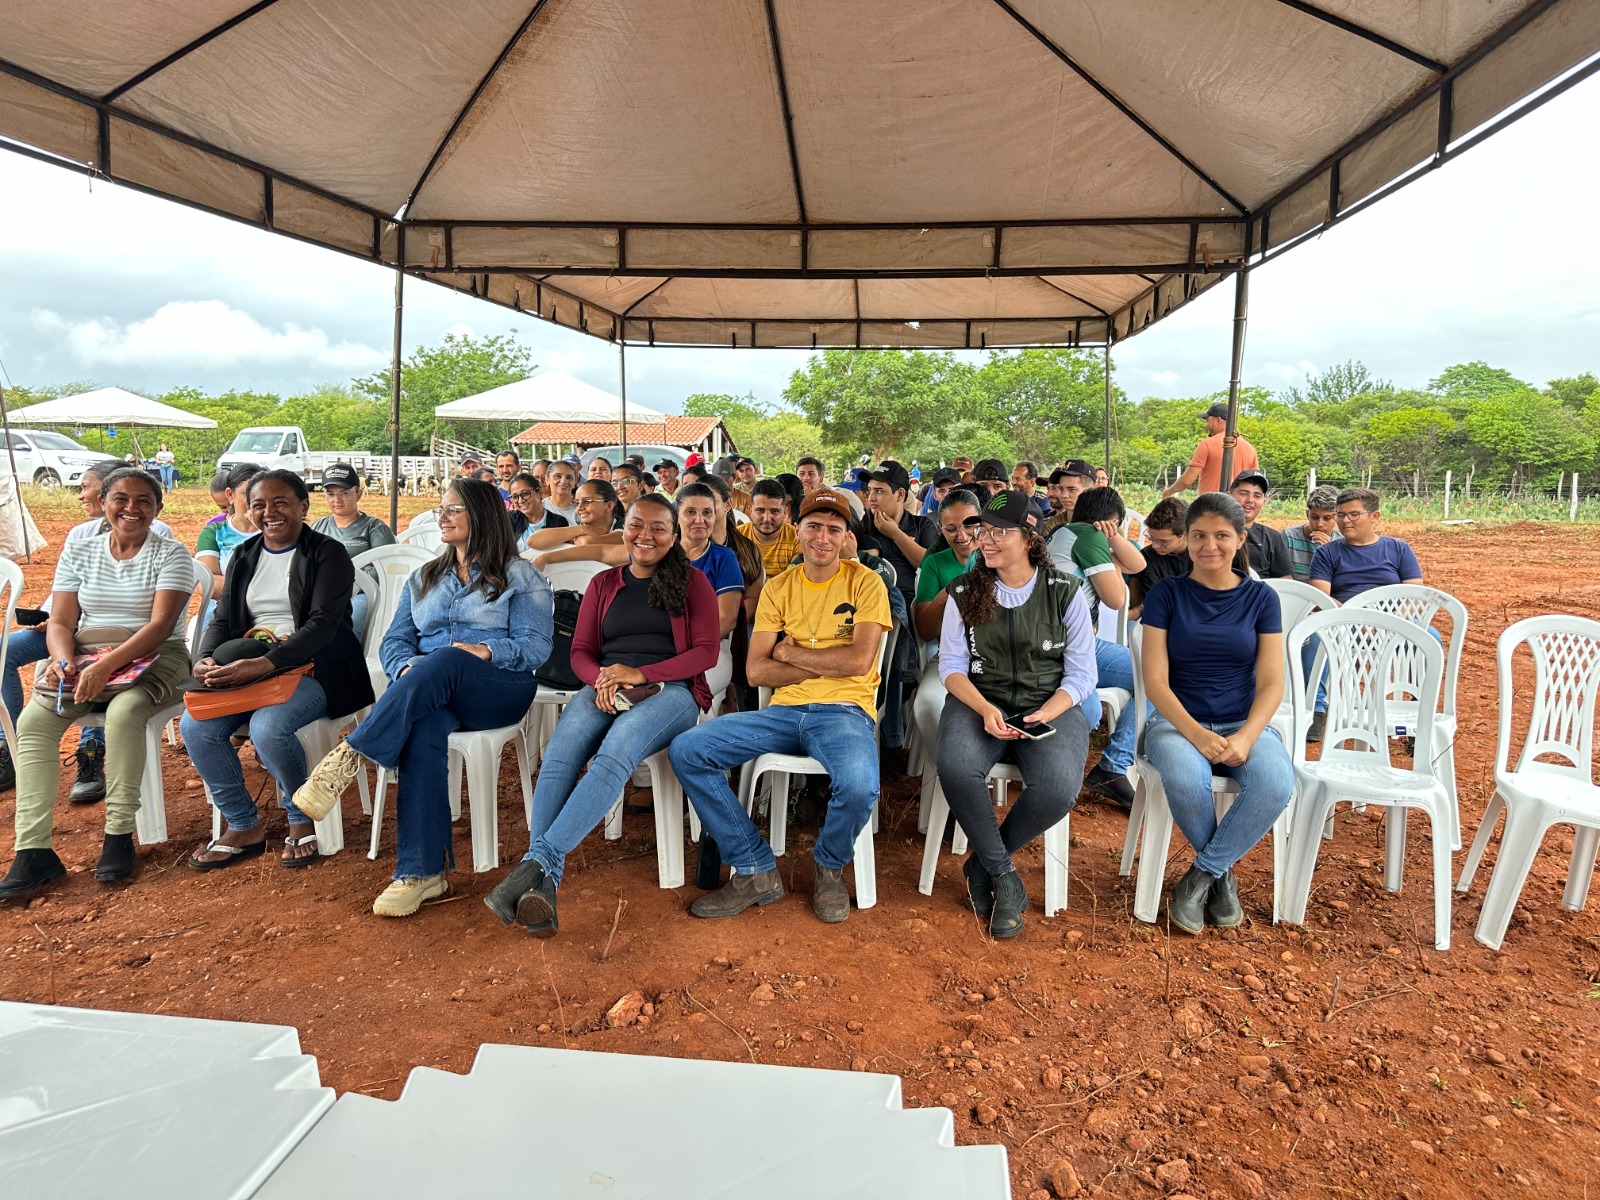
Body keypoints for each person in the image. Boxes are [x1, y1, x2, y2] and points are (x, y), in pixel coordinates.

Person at [293, 478, 553, 915]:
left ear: (482, 516)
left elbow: (535, 647)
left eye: (453, 509)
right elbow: (394, 641)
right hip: (431, 691)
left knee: (449, 659)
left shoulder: (519, 574)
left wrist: (486, 649)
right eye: (441, 509)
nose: (442, 517)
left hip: (497, 687)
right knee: (423, 726)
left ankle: (352, 753)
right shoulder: (424, 577)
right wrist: (407, 667)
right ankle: (421, 871)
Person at [484, 495, 719, 934]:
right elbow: (580, 652)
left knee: (615, 752)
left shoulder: (693, 583)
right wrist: (602, 680)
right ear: (623, 528)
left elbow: (704, 653)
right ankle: (543, 886)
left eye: (658, 528)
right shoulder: (604, 583)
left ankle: (538, 862)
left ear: (674, 536)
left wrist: (640, 672)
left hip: (671, 692)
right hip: (606, 687)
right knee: (559, 756)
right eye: (636, 525)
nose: (645, 536)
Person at [669, 488, 889, 923]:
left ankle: (829, 864)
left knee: (861, 784)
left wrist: (789, 655)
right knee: (689, 750)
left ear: (846, 536)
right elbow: (755, 673)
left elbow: (859, 661)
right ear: (798, 530)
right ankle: (753, 867)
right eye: (814, 527)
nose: (822, 538)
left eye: (833, 529)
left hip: (845, 712)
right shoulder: (780, 587)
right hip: (783, 713)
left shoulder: (866, 582)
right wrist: (825, 665)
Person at [0, 468, 194, 898]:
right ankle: (33, 851)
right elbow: (63, 621)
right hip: (89, 653)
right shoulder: (80, 551)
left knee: (125, 712)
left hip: (157, 656)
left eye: (144, 500)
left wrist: (106, 667)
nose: (132, 508)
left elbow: (161, 626)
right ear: (103, 503)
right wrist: (63, 660)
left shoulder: (171, 554)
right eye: (121, 498)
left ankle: (118, 833)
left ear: (157, 509)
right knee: (35, 722)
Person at [181, 470, 374, 870]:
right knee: (195, 726)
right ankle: (242, 823)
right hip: (250, 663)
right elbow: (222, 616)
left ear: (303, 506)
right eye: (259, 505)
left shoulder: (327, 553)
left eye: (281, 502)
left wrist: (266, 663)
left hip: (316, 667)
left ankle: (299, 815)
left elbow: (323, 623)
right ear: (246, 509)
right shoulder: (245, 555)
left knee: (270, 728)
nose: (269, 512)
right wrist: (208, 655)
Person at [936, 490, 1095, 937]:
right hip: (978, 700)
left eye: (998, 532)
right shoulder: (964, 592)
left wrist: (1050, 710)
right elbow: (951, 667)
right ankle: (1004, 875)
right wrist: (985, 708)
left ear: (1029, 537)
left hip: (1049, 702)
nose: (985, 540)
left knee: (1059, 787)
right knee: (956, 766)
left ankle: (983, 863)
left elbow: (1083, 675)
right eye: (982, 530)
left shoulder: (1064, 592)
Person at [1139, 492, 1292, 933]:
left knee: (1275, 783)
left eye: (1222, 535)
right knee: (1187, 781)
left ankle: (1202, 875)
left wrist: (1245, 737)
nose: (1210, 545)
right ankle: (1222, 880)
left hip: (1243, 723)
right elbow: (1156, 683)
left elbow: (1270, 684)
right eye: (1199, 535)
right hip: (1175, 721)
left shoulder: (1262, 599)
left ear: (1240, 538)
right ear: (1186, 539)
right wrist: (1197, 735)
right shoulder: (1168, 593)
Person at [1, 460, 173, 798]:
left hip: (119, 637)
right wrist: (52, 620)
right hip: (68, 631)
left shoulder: (156, 532)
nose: (81, 495)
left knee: (101, 666)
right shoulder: (80, 535)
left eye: (85, 487)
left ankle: (91, 751)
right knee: (5, 650)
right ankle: (9, 745)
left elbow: (150, 610)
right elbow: (62, 595)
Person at [1051, 486, 1145, 809]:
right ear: (1111, 520)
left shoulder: (1068, 532)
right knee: (1161, 678)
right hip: (1069, 649)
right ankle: (1113, 765)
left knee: (1157, 674)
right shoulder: (1088, 538)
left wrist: (1115, 540)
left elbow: (1138, 564)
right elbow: (1117, 599)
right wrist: (1111, 549)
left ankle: (1110, 767)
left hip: (1078, 643)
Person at [312, 462, 396, 639]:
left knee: (348, 630)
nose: (337, 500)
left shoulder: (374, 528)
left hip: (363, 594)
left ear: (358, 494)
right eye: (330, 494)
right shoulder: (317, 527)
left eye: (344, 493)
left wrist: (352, 586)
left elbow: (387, 568)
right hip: (324, 594)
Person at [1309, 487, 1423, 603]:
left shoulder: (1399, 549)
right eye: (1341, 515)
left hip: (1394, 617)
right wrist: (1355, 617)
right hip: (1344, 618)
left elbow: (1416, 596)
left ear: (1374, 516)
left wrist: (1390, 619)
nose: (1345, 520)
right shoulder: (1325, 553)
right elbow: (1321, 599)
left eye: (1354, 514)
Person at [857, 460, 937, 606]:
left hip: (913, 605)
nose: (871, 497)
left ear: (900, 494)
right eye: (870, 490)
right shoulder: (862, 525)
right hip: (870, 602)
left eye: (879, 491)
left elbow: (932, 566)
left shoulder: (921, 525)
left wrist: (896, 534)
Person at [913, 489, 983, 643]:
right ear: (940, 527)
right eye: (951, 529)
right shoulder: (934, 563)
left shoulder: (998, 558)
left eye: (970, 525)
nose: (962, 536)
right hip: (951, 648)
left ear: (982, 521)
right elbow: (925, 633)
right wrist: (946, 595)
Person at [1162, 400, 1260, 498]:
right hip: (1237, 507)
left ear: (1218, 420)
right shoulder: (1251, 450)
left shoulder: (1206, 444)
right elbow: (1254, 483)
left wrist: (1169, 491)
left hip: (1211, 507)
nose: (1206, 425)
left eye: (1208, 420)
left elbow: (1187, 481)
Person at [195, 463, 260, 596]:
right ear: (230, 495)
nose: (255, 500)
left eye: (261, 493)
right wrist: (264, 587)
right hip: (223, 612)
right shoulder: (213, 533)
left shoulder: (278, 532)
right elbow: (206, 584)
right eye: (247, 493)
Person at [525, 480, 623, 565]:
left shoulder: (625, 526)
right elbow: (533, 541)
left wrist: (578, 538)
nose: (579, 508)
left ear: (609, 506)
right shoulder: (579, 529)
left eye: (587, 501)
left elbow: (586, 543)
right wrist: (582, 529)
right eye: (577, 503)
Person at [1127, 497, 1191, 617]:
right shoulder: (1147, 556)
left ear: (1185, 534)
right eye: (1151, 538)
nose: (1155, 546)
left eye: (1163, 541)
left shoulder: (1202, 555)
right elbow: (1155, 603)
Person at [1229, 470, 1292, 580]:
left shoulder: (1273, 537)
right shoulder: (1211, 532)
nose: (1250, 500)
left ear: (1263, 502)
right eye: (1243, 493)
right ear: (1228, 496)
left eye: (1257, 496)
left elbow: (1286, 581)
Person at [1283, 484, 1340, 584]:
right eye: (1314, 517)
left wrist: (1328, 551)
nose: (1319, 524)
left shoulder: (1341, 543)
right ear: (1307, 514)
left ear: (1337, 516)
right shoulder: (1289, 537)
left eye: (1327, 518)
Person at [746, 478, 799, 580]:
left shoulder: (796, 538)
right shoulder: (736, 537)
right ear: (750, 511)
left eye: (774, 511)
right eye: (760, 510)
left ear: (785, 512)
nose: (766, 518)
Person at [508, 471, 568, 551]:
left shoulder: (559, 522)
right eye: (515, 496)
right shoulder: (511, 519)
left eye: (525, 493)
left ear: (539, 493)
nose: (520, 500)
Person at [544, 459, 580, 523]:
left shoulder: (581, 509)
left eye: (569, 477)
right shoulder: (539, 508)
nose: (563, 481)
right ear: (547, 480)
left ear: (575, 482)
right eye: (558, 476)